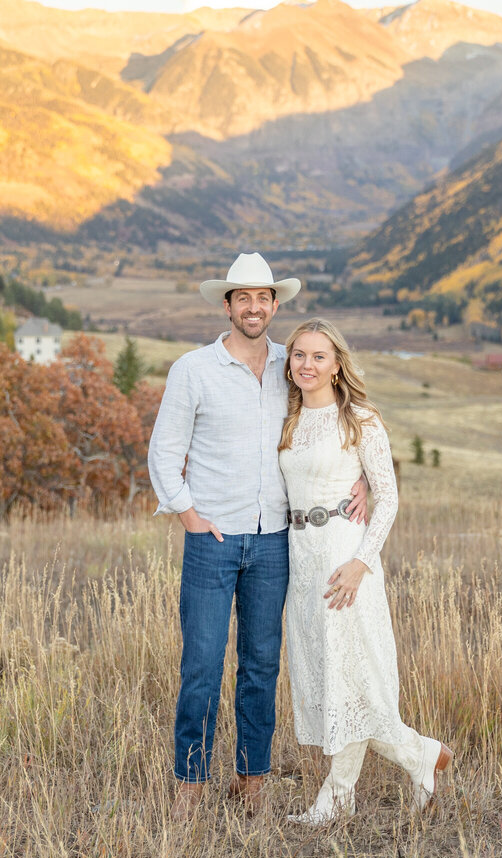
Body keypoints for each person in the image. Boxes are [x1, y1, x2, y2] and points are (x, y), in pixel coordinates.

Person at [148, 253, 367, 821]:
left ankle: (251, 781)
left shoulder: (292, 366)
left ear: (275, 304)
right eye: (241, 297)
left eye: (262, 297)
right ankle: (189, 785)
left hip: (275, 543)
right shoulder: (192, 370)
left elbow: (337, 420)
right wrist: (188, 514)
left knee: (261, 665)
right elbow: (164, 453)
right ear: (227, 305)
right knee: (200, 665)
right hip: (213, 541)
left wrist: (363, 473)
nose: (252, 306)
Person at [278, 317, 450, 825]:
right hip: (300, 557)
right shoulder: (286, 417)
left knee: (350, 677)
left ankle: (338, 796)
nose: (307, 365)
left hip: (343, 555)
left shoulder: (360, 420)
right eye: (299, 355)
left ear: (337, 366)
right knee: (329, 676)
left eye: (319, 357)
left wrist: (360, 562)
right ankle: (421, 754)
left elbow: (389, 496)